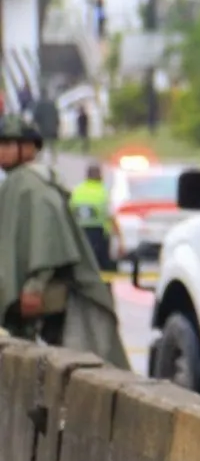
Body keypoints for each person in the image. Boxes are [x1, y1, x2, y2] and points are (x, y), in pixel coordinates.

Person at [0, 117, 129, 368]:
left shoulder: (29, 183)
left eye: (8, 144)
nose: (1, 151)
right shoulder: (22, 181)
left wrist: (35, 285)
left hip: (46, 294)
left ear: (28, 148)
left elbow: (48, 233)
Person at [70, 164, 119, 272]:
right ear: (100, 176)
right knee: (102, 267)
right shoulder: (103, 192)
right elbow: (111, 216)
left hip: (78, 234)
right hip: (99, 235)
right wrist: (120, 239)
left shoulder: (77, 190)